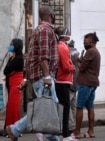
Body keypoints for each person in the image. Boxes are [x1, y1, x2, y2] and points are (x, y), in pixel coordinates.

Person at [5, 6, 61, 141]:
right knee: (49, 106)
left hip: (39, 76)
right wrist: (47, 76)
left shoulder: (38, 30)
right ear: (51, 15)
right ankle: (15, 129)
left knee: (44, 107)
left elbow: (31, 57)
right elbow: (43, 56)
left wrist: (25, 79)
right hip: (43, 77)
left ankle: (16, 129)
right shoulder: (45, 30)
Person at [71, 32, 101, 139]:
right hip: (92, 83)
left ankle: (77, 132)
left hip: (86, 82)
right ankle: (91, 131)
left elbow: (82, 67)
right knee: (90, 107)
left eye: (86, 41)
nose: (84, 43)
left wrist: (77, 61)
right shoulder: (95, 52)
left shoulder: (90, 51)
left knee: (79, 107)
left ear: (92, 42)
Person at [54, 26, 75, 140]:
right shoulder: (62, 47)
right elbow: (66, 66)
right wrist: (73, 67)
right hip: (62, 80)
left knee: (63, 107)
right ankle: (65, 133)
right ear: (64, 35)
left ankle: (62, 132)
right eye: (68, 33)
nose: (69, 35)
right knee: (65, 107)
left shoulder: (62, 46)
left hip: (62, 80)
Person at [2, 38, 24, 137]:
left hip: (16, 84)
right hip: (10, 84)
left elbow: (9, 71)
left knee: (13, 107)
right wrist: (10, 73)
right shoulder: (11, 58)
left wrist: (10, 73)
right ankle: (9, 128)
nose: (10, 46)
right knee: (9, 106)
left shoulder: (19, 58)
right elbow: (6, 71)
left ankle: (14, 129)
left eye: (12, 44)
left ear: (16, 46)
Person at [67, 40, 80, 132]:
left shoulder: (70, 54)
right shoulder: (77, 53)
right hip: (76, 83)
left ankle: (71, 126)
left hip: (70, 82)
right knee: (73, 106)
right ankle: (73, 125)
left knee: (68, 106)